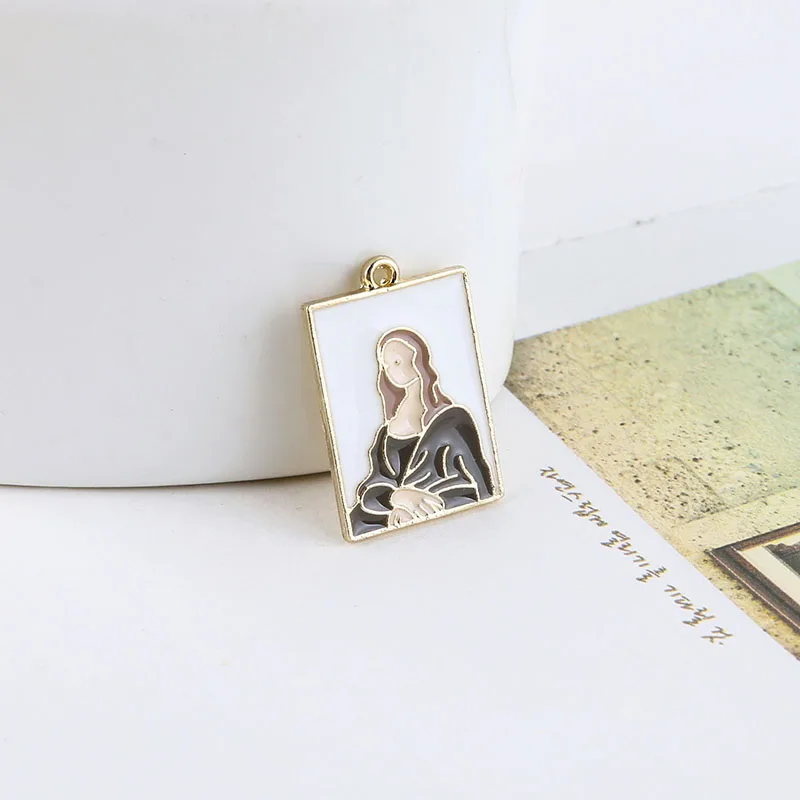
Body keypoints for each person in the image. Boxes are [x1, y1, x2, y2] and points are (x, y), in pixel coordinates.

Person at [349, 327, 494, 537]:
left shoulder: (452, 419)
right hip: (397, 512)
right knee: (356, 518)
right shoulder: (385, 433)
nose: (391, 370)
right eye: (385, 365)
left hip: (443, 502)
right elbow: (373, 484)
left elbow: (479, 476)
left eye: (397, 361)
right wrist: (397, 498)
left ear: (418, 360)